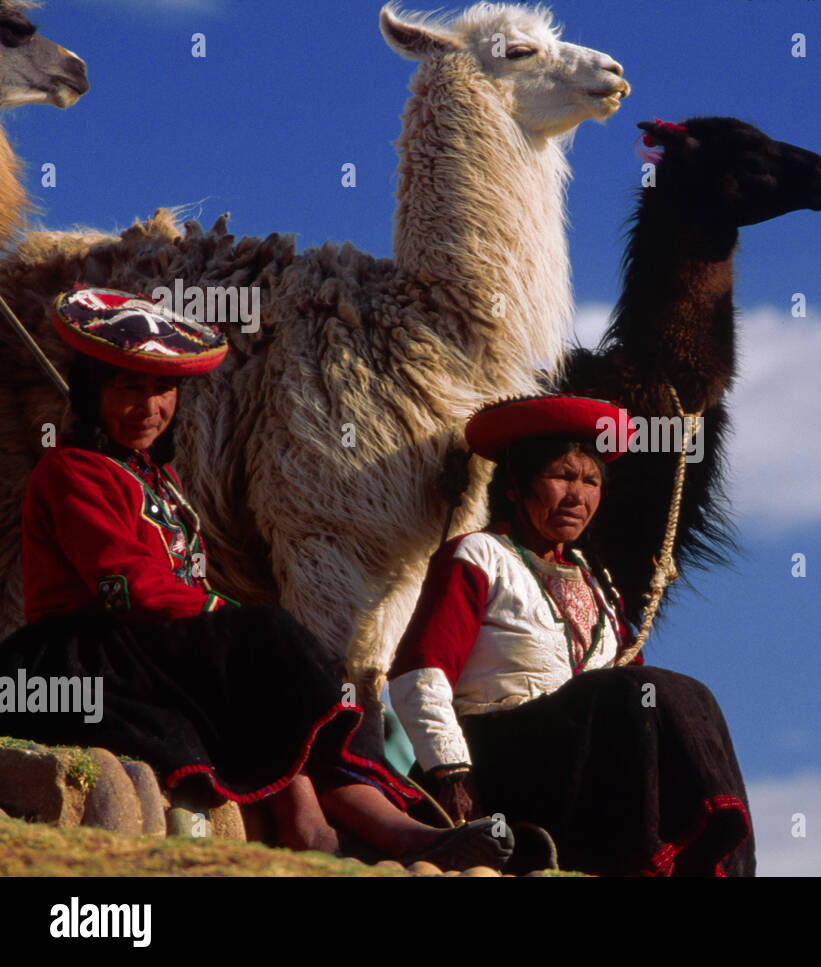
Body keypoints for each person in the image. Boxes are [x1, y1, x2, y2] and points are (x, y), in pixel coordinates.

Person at [1, 287, 511, 870]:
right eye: (127, 386)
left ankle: (406, 832)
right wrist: (223, 618)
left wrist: (220, 620)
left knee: (283, 652)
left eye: (162, 389)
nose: (148, 407)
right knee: (263, 638)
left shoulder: (158, 479)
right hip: (87, 650)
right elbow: (125, 585)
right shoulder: (70, 472)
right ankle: (313, 828)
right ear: (92, 391)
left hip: (144, 641)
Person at [388, 394, 756, 875]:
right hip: (495, 757)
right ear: (517, 487)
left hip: (575, 768)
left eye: (590, 481)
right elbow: (420, 672)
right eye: (561, 476)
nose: (576, 496)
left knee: (684, 695)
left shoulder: (593, 578)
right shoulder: (478, 555)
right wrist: (452, 771)